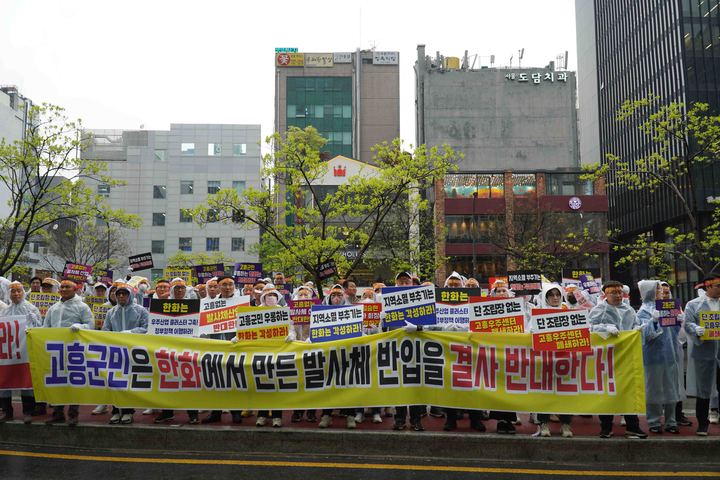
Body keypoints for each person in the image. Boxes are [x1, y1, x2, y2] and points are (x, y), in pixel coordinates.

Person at [588, 280, 648, 439]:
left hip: (626, 356)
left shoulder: (628, 309)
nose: (618, 295)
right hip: (606, 358)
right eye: (613, 292)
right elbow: (589, 328)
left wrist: (637, 330)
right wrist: (605, 329)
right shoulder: (599, 310)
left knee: (628, 390)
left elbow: (635, 324)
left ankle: (632, 426)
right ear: (605, 294)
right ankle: (606, 427)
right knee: (606, 392)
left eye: (620, 292)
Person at [43, 279, 93, 426]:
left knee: (73, 383)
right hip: (56, 350)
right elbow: (46, 327)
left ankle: (73, 414)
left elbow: (90, 325)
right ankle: (58, 413)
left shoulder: (82, 307)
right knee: (58, 383)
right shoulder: (54, 308)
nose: (64, 289)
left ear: (75, 289)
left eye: (67, 287)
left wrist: (80, 326)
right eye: (62, 287)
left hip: (74, 351)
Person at [637, 280, 681, 434]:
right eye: (656, 289)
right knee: (653, 390)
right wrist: (653, 321)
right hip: (653, 357)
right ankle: (654, 421)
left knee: (671, 388)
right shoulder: (643, 312)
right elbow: (645, 336)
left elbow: (674, 334)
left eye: (660, 289)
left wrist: (679, 323)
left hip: (670, 355)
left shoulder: (667, 307)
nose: (660, 292)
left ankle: (671, 421)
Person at [102, 282, 149, 425]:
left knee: (129, 381)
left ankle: (128, 411)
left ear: (130, 295)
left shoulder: (140, 310)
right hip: (115, 351)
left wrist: (130, 332)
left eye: (124, 294)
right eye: (119, 294)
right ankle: (116, 411)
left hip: (133, 350)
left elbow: (146, 328)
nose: (121, 296)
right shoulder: (111, 312)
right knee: (115, 381)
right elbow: (105, 330)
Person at [202, 276, 243, 425]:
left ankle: (236, 412)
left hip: (235, 348)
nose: (227, 287)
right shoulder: (210, 305)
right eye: (224, 285)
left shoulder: (242, 303)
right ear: (218, 287)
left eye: (230, 284)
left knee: (235, 382)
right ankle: (215, 412)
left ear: (234, 286)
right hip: (215, 348)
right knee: (215, 381)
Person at [0, 281, 42, 424]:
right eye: (13, 291)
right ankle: (7, 411)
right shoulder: (4, 311)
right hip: (8, 352)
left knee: (26, 382)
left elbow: (39, 327)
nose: (16, 294)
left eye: (19, 291)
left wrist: (33, 322)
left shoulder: (31, 308)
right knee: (5, 380)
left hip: (25, 351)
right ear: (8, 293)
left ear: (23, 292)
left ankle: (28, 411)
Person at [683, 274, 720, 436]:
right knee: (703, 389)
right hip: (704, 349)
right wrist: (695, 329)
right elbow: (687, 322)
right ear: (708, 286)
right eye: (718, 285)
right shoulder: (694, 305)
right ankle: (702, 424)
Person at [389, 272, 426, 432]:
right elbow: (381, 330)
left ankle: (416, 420)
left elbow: (430, 324)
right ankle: (399, 419)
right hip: (396, 350)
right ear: (396, 284)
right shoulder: (388, 300)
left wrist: (417, 327)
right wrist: (383, 321)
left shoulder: (422, 299)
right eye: (401, 282)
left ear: (412, 283)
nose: (404, 284)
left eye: (407, 281)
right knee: (399, 386)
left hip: (417, 350)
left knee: (416, 386)